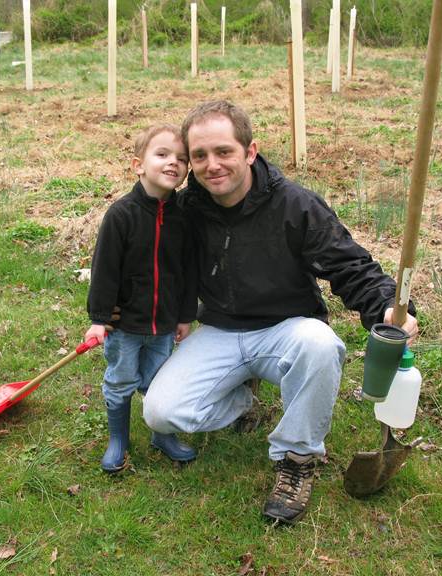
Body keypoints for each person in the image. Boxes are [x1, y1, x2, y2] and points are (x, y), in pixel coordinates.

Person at [143, 100, 418, 525]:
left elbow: (349, 265)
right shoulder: (187, 211)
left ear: (250, 152)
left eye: (223, 152)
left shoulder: (296, 206)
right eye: (199, 156)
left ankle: (296, 459)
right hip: (221, 329)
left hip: (287, 330)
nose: (212, 165)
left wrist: (385, 303)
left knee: (322, 345)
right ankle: (242, 398)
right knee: (161, 413)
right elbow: (151, 257)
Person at [85, 124, 198, 474]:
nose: (172, 163)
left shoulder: (184, 218)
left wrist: (184, 315)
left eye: (181, 159)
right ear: (138, 164)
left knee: (158, 381)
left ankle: (161, 434)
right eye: (162, 154)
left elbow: (187, 270)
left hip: (163, 324)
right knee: (121, 379)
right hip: (125, 326)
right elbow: (104, 269)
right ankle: (118, 439)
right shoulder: (122, 215)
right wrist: (100, 318)